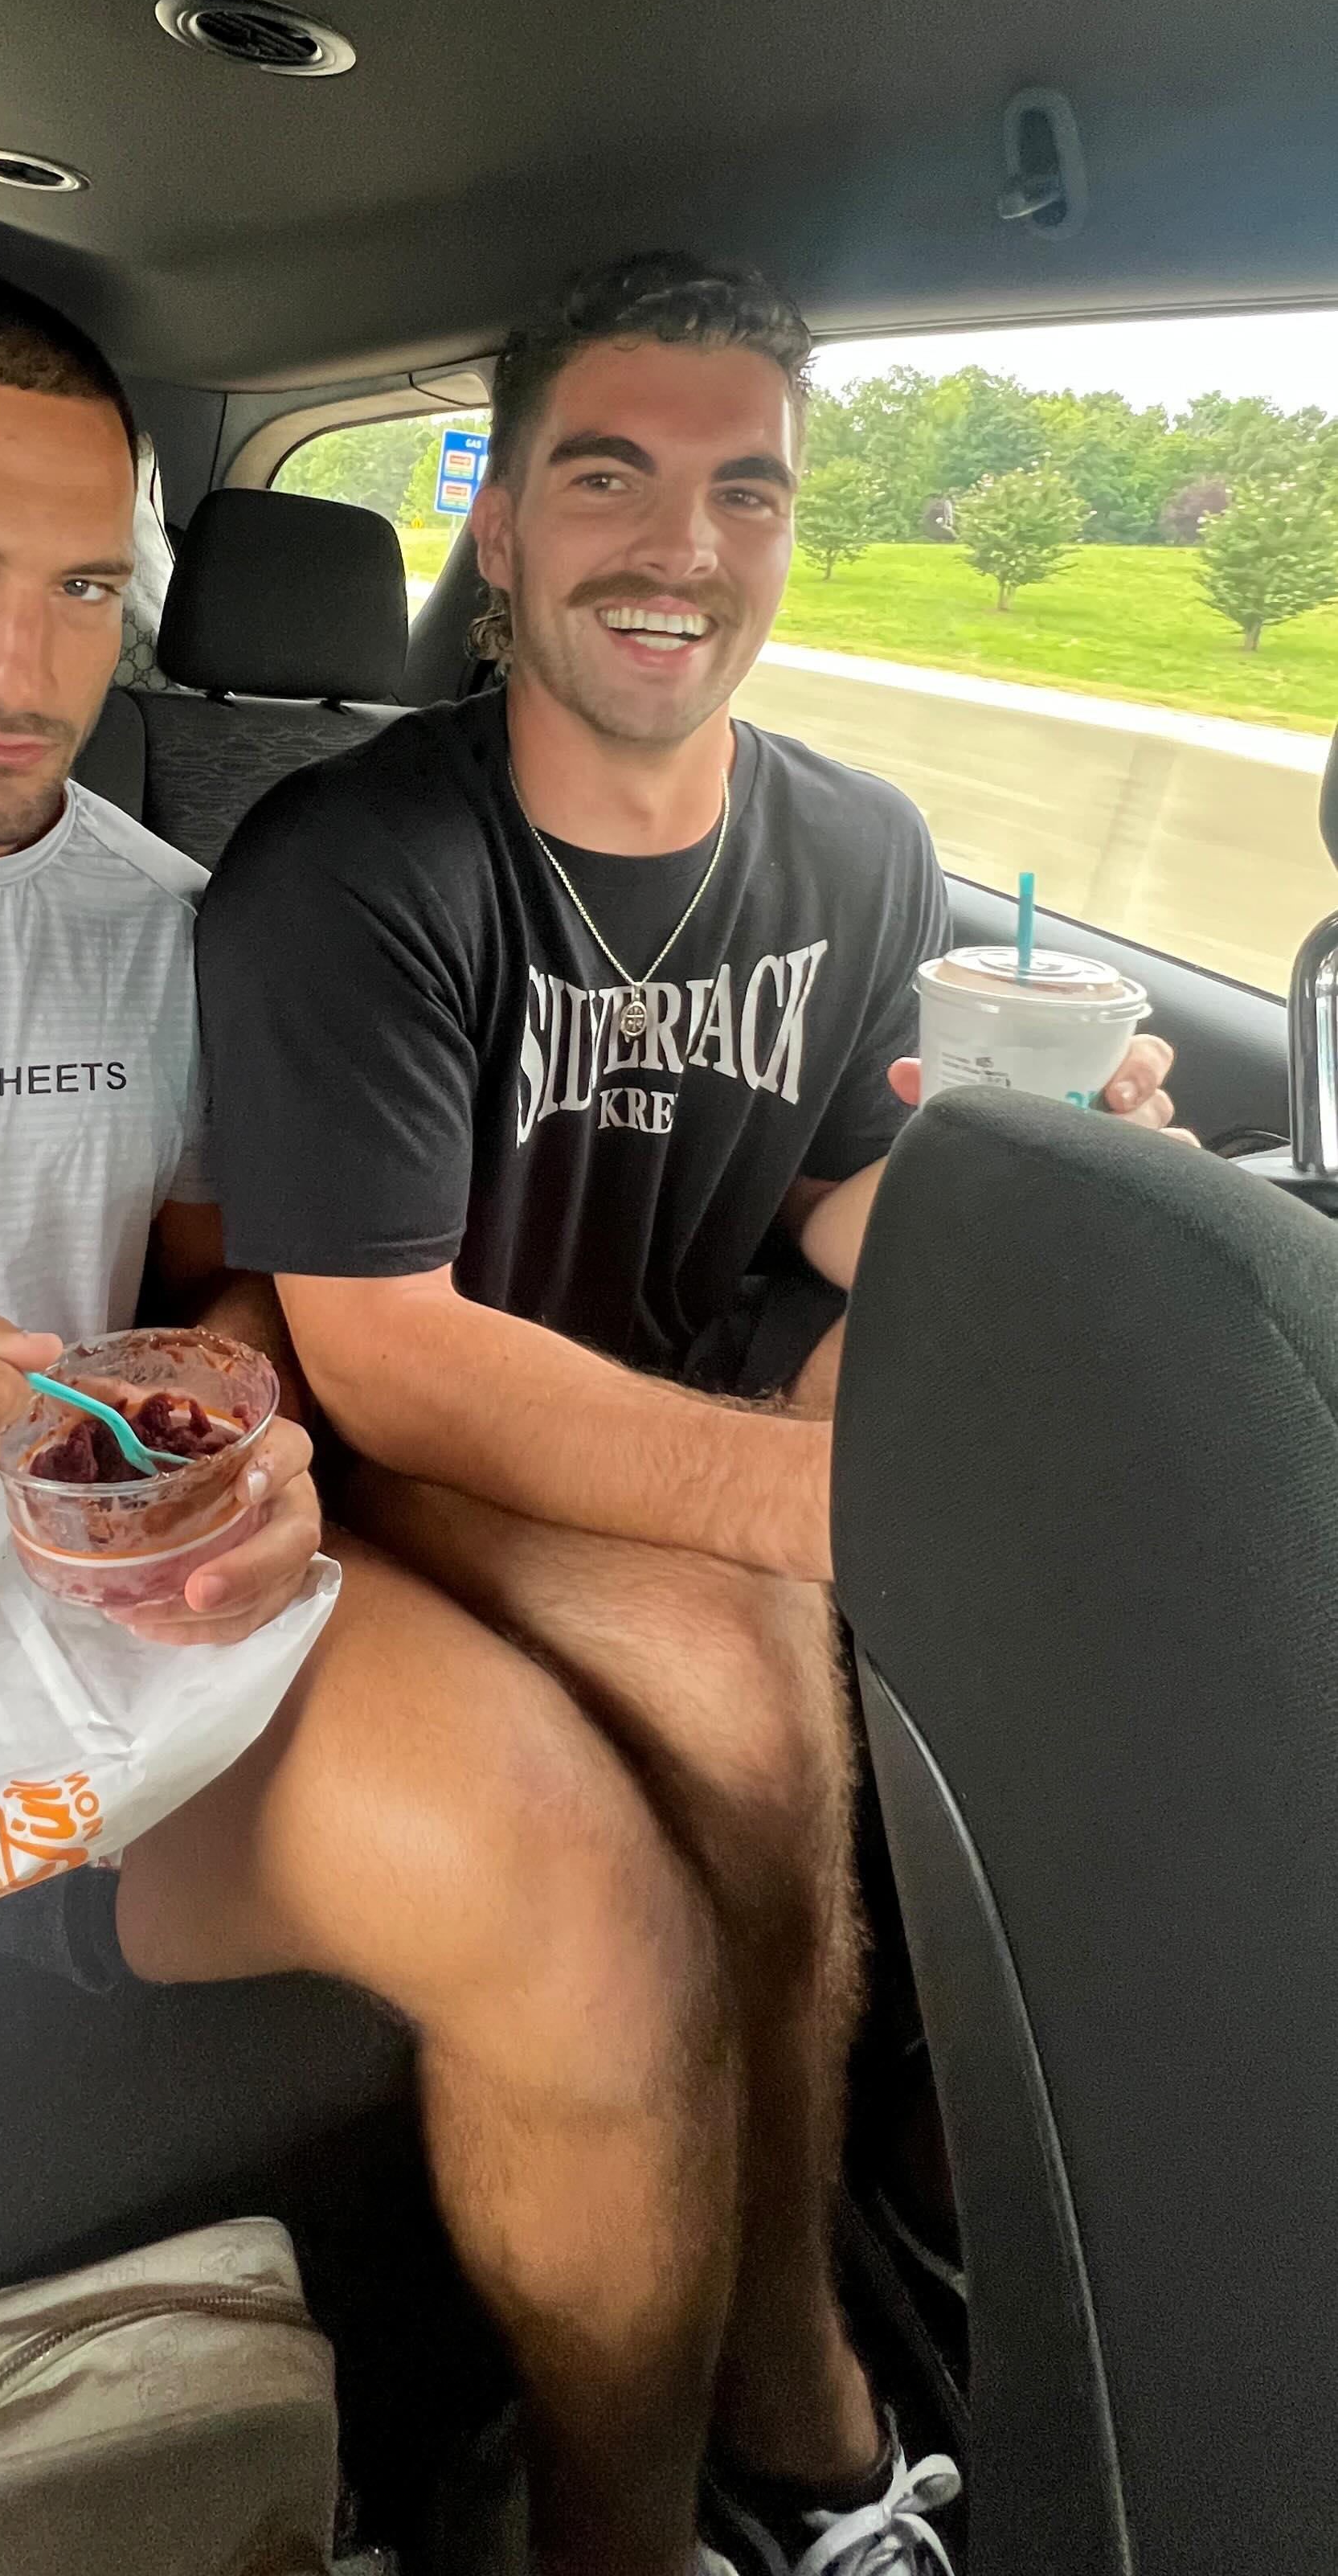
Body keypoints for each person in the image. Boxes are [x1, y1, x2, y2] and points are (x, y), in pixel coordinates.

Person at [0, 262, 765, 2576]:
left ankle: (624, 2538)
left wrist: (260, 1433)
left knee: (600, 1912)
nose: (24, 665)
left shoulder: (184, 924)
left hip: (105, 1641)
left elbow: (216, 1297)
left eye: (87, 588)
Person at [196, 250, 1183, 2576]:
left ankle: (919, 2232)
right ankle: (773, 2395)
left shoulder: (859, 847)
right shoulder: (353, 869)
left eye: (747, 492)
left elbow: (832, 1191)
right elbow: (384, 1346)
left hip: (686, 1384)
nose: (682, 547)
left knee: (1078, 1594)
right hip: (417, 1443)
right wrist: (819, 1504)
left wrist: (1039, 1179)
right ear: (500, 526)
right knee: (745, 1697)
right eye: (608, 478)